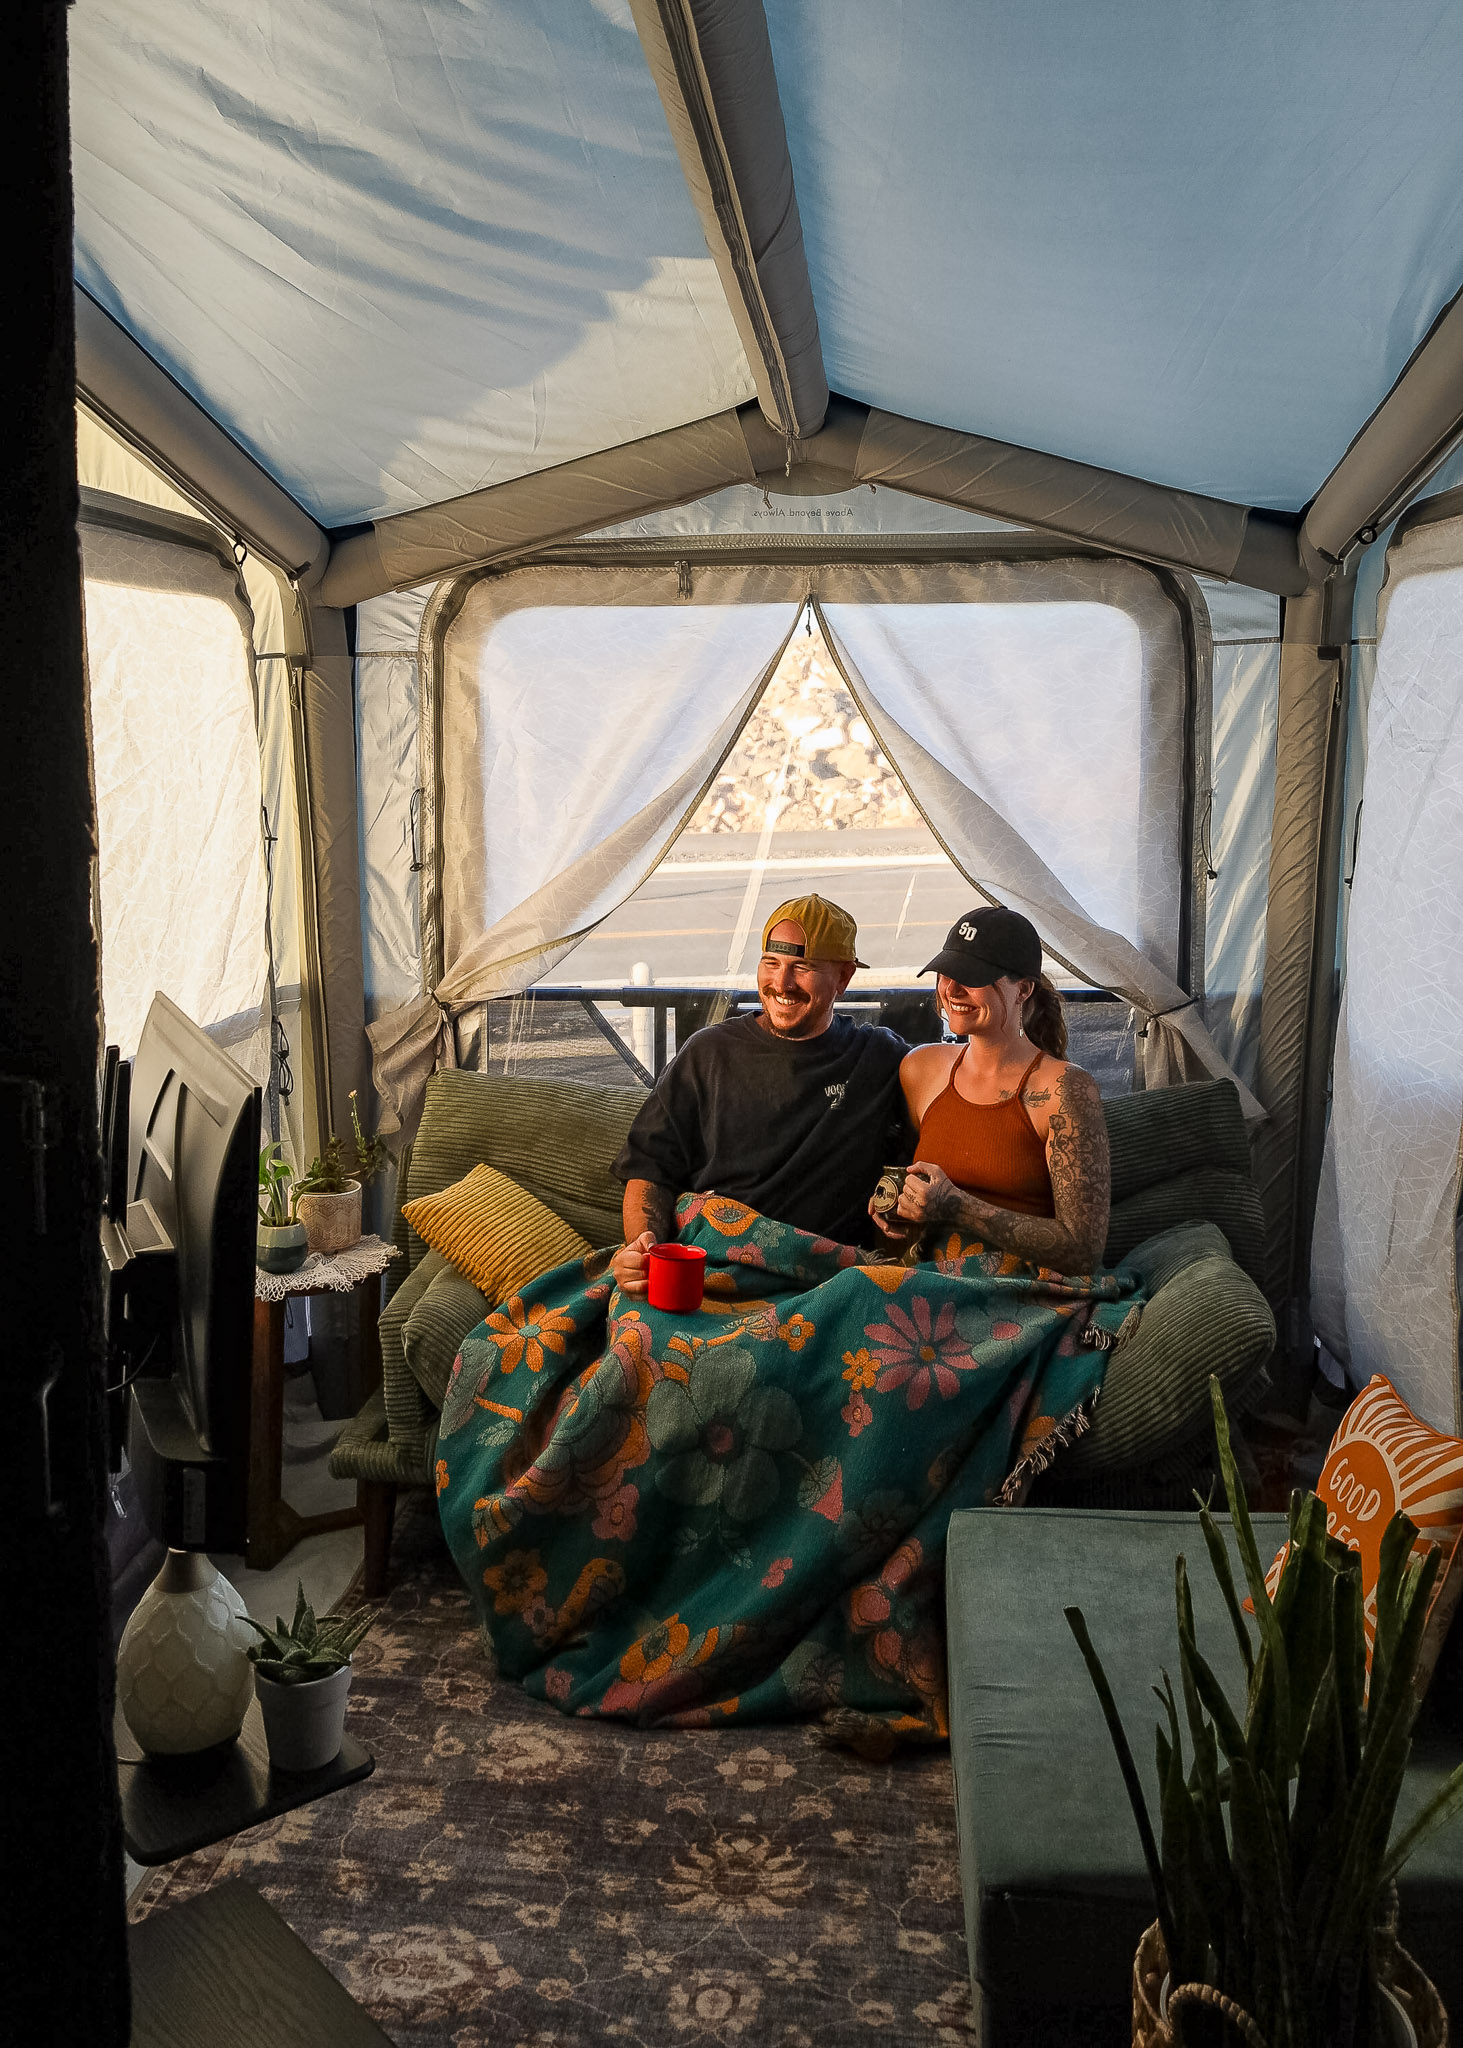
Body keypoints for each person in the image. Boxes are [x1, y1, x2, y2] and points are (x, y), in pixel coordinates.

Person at [611, 895, 907, 1294]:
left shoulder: (879, 1057)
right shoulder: (708, 1052)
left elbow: (962, 1079)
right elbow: (650, 1170)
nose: (781, 984)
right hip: (709, 1265)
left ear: (843, 977)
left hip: (825, 1285)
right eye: (771, 962)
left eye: (802, 967)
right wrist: (641, 1250)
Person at [872, 906, 1111, 1274]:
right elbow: (912, 1177)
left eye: (972, 976)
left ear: (1024, 990)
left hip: (1014, 1293)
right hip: (924, 1282)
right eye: (946, 972)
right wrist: (895, 1202)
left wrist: (957, 1206)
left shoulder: (1064, 1089)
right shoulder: (921, 1068)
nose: (951, 989)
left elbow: (1083, 1251)